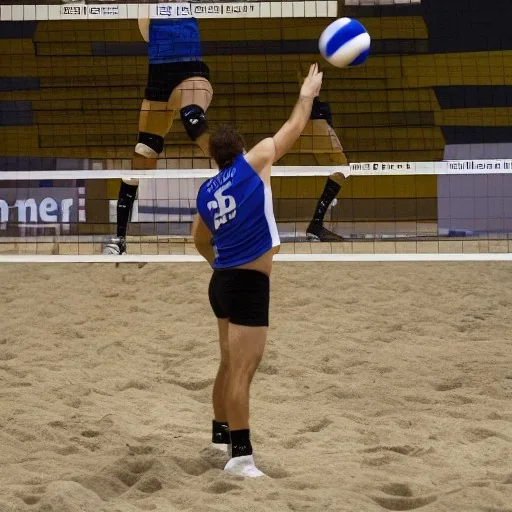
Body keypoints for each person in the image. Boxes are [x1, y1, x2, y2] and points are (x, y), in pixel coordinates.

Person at [192, 63, 323, 478]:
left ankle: (220, 439)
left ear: (215, 157)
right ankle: (241, 456)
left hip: (222, 282)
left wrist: (218, 263)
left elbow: (197, 238)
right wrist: (308, 92)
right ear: (243, 150)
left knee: (229, 365)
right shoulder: (256, 160)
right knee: (243, 372)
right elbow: (295, 125)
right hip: (249, 283)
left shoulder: (207, 190)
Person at [103, 16, 213, 255]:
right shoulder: (146, 8)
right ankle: (120, 238)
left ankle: (237, 175)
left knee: (193, 118)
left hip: (190, 68)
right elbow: (145, 31)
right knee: (144, 150)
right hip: (159, 76)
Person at [305, 97, 348, 242]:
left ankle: (317, 224)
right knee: (341, 169)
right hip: (317, 121)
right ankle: (316, 224)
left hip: (309, 120)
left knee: (335, 171)